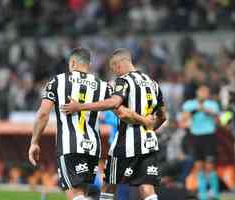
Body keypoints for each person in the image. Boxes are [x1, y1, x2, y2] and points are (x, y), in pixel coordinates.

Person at [28, 48, 149, 200]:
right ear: (88, 65)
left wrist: (34, 142)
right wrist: (145, 122)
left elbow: (43, 114)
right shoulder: (103, 86)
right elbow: (123, 114)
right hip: (92, 149)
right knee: (84, 194)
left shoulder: (58, 81)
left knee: (76, 195)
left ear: (72, 63)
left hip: (69, 146)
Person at [62, 48, 167, 200]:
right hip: (149, 141)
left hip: (126, 142)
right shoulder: (153, 83)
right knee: (147, 187)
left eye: (114, 69)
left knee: (108, 185)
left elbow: (116, 104)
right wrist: (149, 128)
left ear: (119, 65)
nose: (115, 74)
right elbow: (162, 116)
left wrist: (80, 106)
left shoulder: (123, 81)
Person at [182, 84, 220, 200]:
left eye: (206, 91)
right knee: (199, 166)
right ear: (197, 92)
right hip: (195, 137)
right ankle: (202, 194)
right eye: (202, 91)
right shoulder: (189, 104)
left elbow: (218, 120)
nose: (204, 93)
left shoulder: (213, 105)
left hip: (209, 136)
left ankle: (214, 193)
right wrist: (195, 110)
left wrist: (206, 110)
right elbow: (184, 118)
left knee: (210, 166)